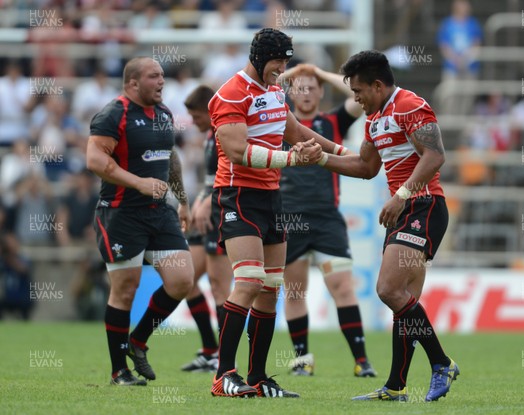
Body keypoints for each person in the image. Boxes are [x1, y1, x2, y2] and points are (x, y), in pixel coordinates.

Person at [208, 27, 345, 398]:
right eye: (278, 61)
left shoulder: (273, 92)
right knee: (250, 281)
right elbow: (237, 152)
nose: (282, 68)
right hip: (238, 195)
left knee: (270, 289)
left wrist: (340, 152)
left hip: (272, 198)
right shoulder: (230, 94)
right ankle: (223, 375)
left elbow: (296, 131)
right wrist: (291, 159)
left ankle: (258, 377)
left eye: (286, 61)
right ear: (258, 58)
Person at [316, 50, 459, 402]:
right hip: (403, 211)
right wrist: (318, 157)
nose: (357, 99)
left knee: (388, 290)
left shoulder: (409, 104)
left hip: (424, 206)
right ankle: (396, 387)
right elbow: (366, 166)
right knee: (402, 302)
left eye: (359, 91)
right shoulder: (374, 119)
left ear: (378, 85)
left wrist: (403, 194)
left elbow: (436, 155)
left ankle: (441, 363)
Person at [86, 57, 194, 386]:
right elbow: (94, 159)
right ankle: (120, 371)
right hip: (121, 213)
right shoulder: (112, 114)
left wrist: (184, 200)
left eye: (162, 76)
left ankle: (138, 341)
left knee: (182, 280)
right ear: (133, 83)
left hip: (159, 212)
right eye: (153, 77)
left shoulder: (163, 114)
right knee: (125, 289)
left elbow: (170, 157)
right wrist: (138, 183)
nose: (162, 81)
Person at [276, 63, 375, 377]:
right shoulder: (278, 123)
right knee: (294, 292)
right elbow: (257, 89)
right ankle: (302, 360)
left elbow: (358, 97)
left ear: (320, 92)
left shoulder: (332, 121)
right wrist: (289, 75)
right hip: (289, 219)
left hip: (326, 220)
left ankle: (362, 361)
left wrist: (319, 71)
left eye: (312, 87)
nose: (306, 93)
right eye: (299, 88)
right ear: (290, 92)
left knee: (343, 288)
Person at [179, 85, 233, 373]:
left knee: (219, 287)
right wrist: (199, 201)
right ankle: (210, 349)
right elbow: (211, 179)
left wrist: (205, 200)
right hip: (208, 216)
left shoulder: (225, 135)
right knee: (184, 279)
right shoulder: (210, 138)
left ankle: (225, 359)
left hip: (223, 215)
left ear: (210, 111)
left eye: (196, 115)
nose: (193, 122)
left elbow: (226, 178)